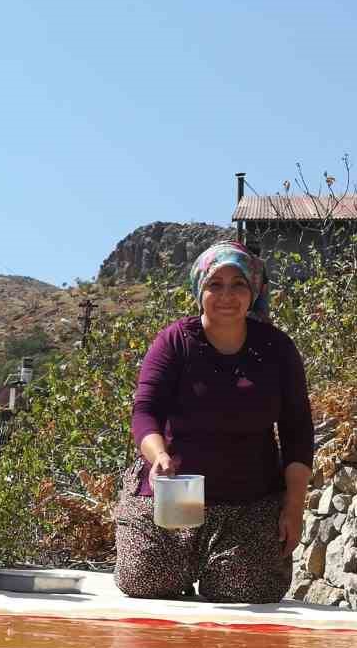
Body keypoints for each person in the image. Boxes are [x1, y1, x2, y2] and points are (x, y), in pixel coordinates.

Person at [114, 241, 314, 603]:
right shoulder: (174, 342)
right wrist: (157, 456)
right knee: (143, 582)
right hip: (175, 495)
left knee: (246, 592)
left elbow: (297, 431)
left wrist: (294, 506)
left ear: (254, 291)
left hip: (250, 503)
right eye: (214, 285)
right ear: (198, 290)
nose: (227, 295)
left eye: (238, 284)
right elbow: (145, 411)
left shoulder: (277, 349)